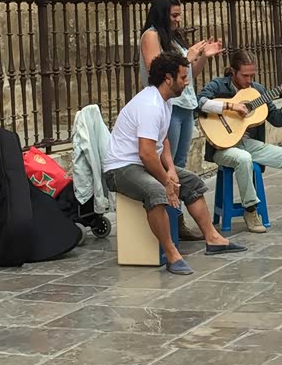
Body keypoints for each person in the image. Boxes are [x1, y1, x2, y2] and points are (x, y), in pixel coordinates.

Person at [103, 52, 245, 275]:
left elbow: (163, 141)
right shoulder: (150, 105)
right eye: (183, 77)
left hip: (141, 163)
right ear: (168, 79)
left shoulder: (165, 101)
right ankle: (172, 254)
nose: (187, 82)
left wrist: (170, 169)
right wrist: (167, 182)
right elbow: (146, 153)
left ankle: (213, 238)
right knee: (156, 191)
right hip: (120, 168)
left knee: (192, 183)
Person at [196, 50, 282, 231]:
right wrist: (231, 106)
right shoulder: (219, 86)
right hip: (222, 147)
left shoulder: (258, 91)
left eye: (252, 75)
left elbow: (277, 121)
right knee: (243, 158)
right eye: (245, 75)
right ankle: (250, 210)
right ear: (233, 72)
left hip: (249, 144)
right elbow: (199, 101)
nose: (249, 80)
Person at [140, 0, 223, 241]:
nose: (178, 19)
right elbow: (157, 71)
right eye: (174, 15)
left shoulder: (174, 38)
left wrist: (203, 56)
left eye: (179, 14)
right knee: (168, 166)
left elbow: (188, 75)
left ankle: (177, 220)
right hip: (168, 106)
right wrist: (188, 57)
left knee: (180, 164)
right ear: (162, 14)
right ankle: (171, 223)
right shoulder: (151, 36)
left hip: (185, 104)